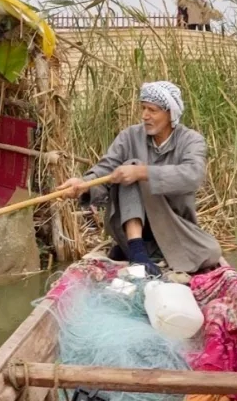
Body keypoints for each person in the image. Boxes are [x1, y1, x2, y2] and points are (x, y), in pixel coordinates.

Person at [59, 81, 222, 276]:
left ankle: (137, 251)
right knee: (131, 166)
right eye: (143, 108)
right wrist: (84, 185)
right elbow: (106, 170)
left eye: (152, 110)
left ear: (170, 113)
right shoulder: (129, 136)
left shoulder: (191, 140)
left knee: (211, 253)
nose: (145, 115)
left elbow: (192, 176)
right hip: (132, 229)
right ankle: (136, 250)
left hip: (174, 227)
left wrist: (143, 173)